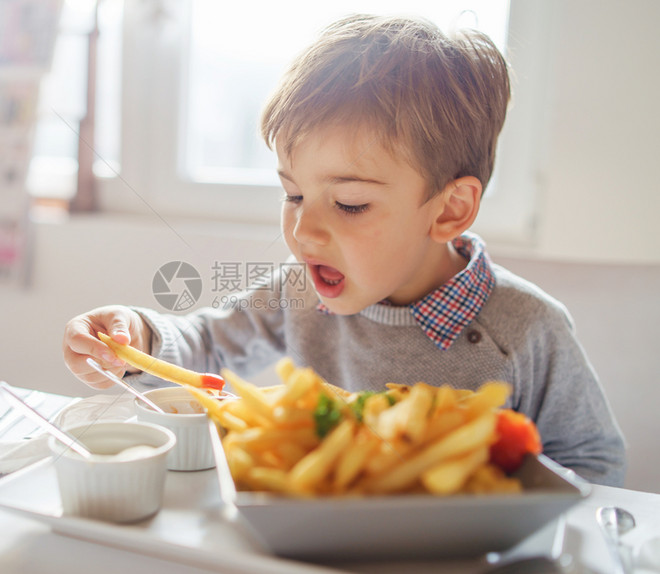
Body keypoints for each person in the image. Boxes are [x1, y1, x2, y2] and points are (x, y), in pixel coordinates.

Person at [62, 14, 626, 486]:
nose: (304, 232)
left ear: (449, 209)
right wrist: (137, 337)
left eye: (351, 204)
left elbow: (594, 463)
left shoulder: (529, 327)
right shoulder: (301, 288)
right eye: (294, 194)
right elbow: (208, 346)